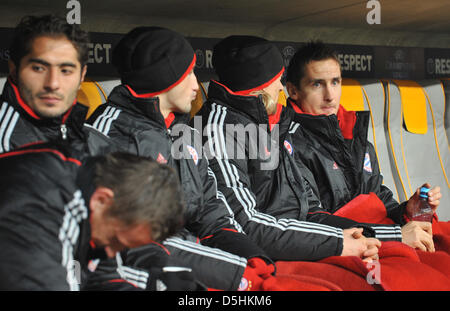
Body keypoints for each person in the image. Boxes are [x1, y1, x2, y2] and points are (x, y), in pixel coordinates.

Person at [87, 26, 275, 291]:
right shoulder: (109, 136)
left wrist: (247, 251)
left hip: (201, 261)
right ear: (165, 78)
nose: (196, 85)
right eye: (188, 73)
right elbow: (136, 242)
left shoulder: (182, 130)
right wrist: (232, 271)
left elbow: (211, 209)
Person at [196, 35, 382, 263]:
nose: (280, 87)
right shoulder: (219, 128)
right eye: (276, 79)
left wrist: (375, 237)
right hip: (265, 255)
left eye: (335, 82)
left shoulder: (277, 122)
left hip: (301, 241)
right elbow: (245, 223)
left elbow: (310, 210)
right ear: (260, 86)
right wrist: (337, 243)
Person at [285, 40, 442, 252]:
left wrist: (409, 210)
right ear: (293, 91)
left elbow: (380, 199)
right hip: (339, 249)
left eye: (335, 82)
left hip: (377, 239)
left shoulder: (354, 134)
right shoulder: (287, 144)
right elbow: (311, 220)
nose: (330, 95)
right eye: (317, 84)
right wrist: (395, 236)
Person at [0, 141, 201, 290]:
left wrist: (155, 284)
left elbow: (100, 276)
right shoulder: (46, 205)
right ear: (102, 199)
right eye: (116, 242)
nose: (113, 253)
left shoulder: (94, 198)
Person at [1, 14, 111, 156]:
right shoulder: (5, 145)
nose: (52, 84)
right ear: (14, 70)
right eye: (39, 68)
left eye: (65, 71)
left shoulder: (99, 144)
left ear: (82, 76)